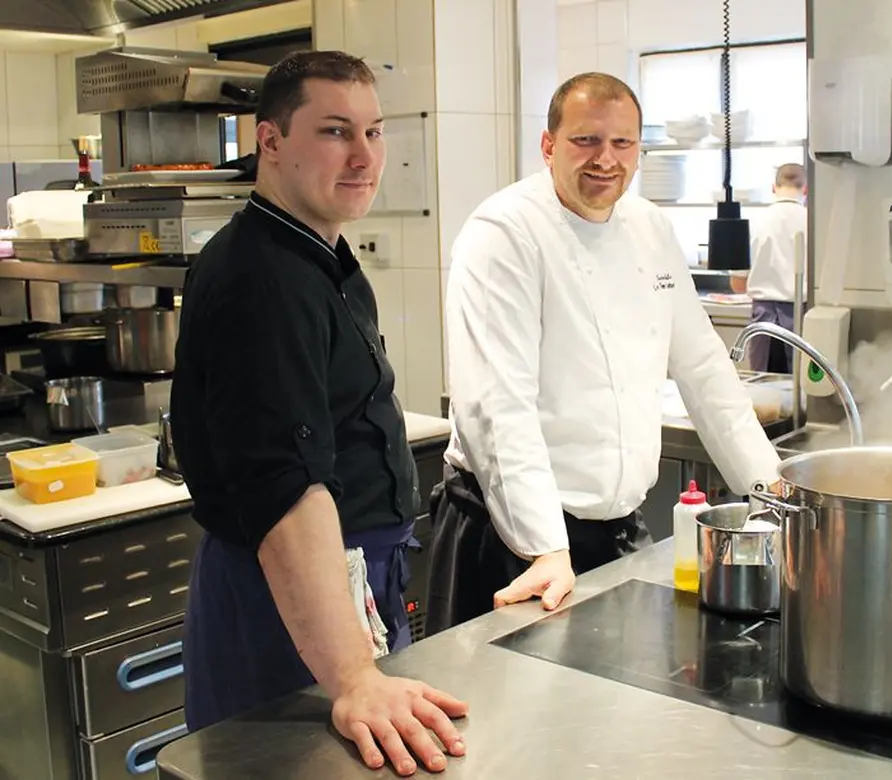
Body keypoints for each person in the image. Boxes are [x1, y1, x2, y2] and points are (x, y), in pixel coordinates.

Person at [170, 50, 467, 777]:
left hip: (346, 586)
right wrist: (354, 677)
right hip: (285, 601)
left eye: (375, 131)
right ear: (270, 140)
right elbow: (286, 489)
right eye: (336, 131)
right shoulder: (259, 281)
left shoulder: (321, 258)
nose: (365, 155)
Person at [425, 72, 782, 634]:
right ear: (549, 146)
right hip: (510, 533)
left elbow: (705, 370)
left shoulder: (648, 227)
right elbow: (497, 406)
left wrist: (773, 494)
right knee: (504, 715)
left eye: (622, 144)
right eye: (585, 141)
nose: (605, 160)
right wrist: (543, 545)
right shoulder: (504, 232)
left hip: (616, 528)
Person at [732, 163, 807, 374]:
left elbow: (738, 284)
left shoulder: (757, 221)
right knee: (798, 391)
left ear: (773, 187)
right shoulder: (813, 221)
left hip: (763, 320)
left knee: (764, 386)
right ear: (806, 189)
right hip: (801, 317)